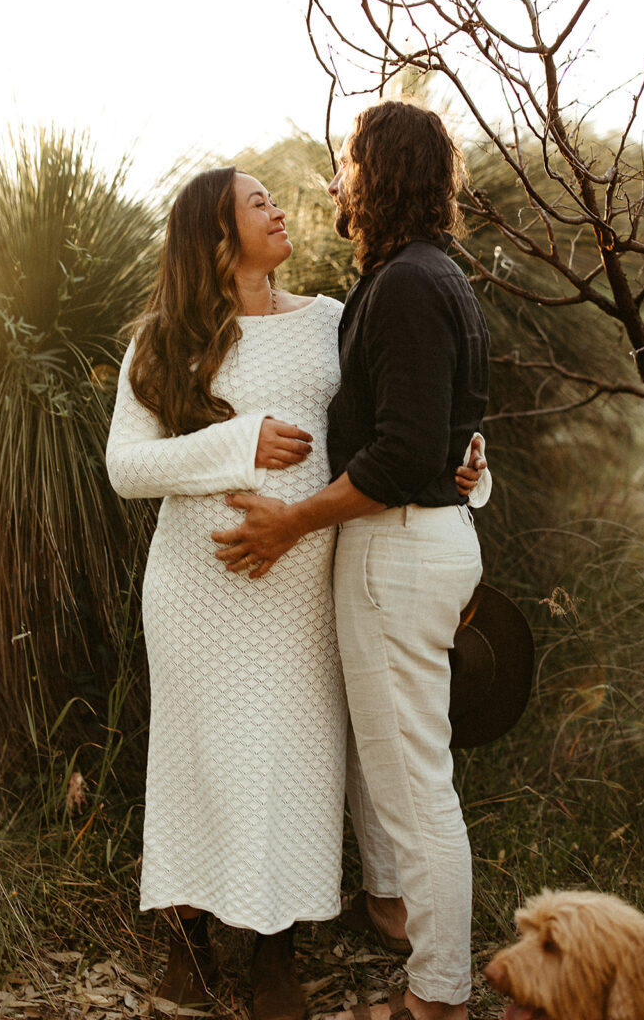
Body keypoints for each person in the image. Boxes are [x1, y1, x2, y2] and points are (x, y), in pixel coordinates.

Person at [106, 163, 486, 1018]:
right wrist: (239, 443)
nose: (279, 211)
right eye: (258, 203)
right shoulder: (165, 337)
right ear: (214, 233)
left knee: (296, 764)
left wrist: (464, 462)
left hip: (305, 583)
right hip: (199, 589)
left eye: (275, 199)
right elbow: (125, 467)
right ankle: (188, 943)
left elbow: (401, 416)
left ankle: (277, 951)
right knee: (197, 762)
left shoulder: (329, 319)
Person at [212, 101, 490, 1020]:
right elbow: (440, 432)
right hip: (423, 539)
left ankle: (438, 998)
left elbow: (404, 456)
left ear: (381, 173)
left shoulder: (407, 284)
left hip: (398, 550)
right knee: (404, 772)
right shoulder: (430, 275)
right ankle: (401, 922)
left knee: (415, 787)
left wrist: (289, 526)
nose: (336, 182)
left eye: (347, 164)